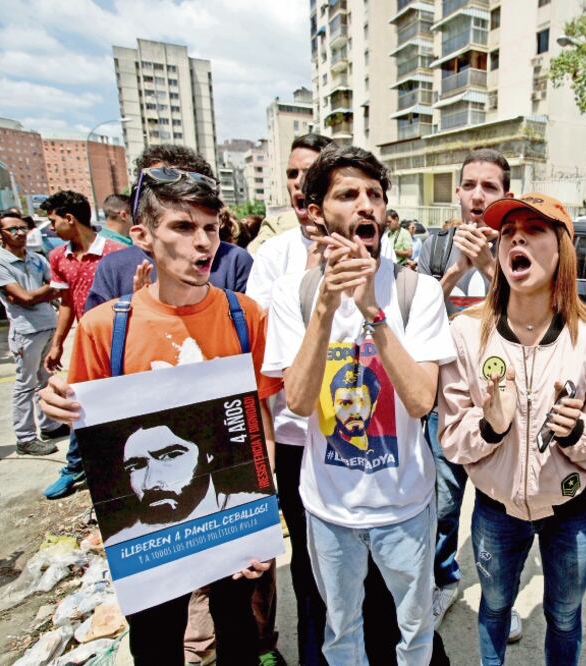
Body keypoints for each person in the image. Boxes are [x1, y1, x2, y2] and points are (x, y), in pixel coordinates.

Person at [38, 158, 277, 666]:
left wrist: (261, 514)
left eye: (211, 228)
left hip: (228, 523)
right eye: (183, 227)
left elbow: (261, 422)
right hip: (151, 542)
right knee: (156, 642)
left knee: (239, 633)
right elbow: (84, 419)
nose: (203, 242)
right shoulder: (107, 327)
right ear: (143, 235)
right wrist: (58, 401)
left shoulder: (245, 315)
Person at [263, 145, 455, 665]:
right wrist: (325, 310)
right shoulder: (294, 295)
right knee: (340, 634)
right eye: (348, 195)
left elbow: (420, 401)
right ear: (318, 213)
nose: (365, 205)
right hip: (329, 511)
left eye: (374, 194)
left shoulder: (419, 291)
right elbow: (298, 403)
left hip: (405, 506)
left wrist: (373, 310)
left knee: (413, 633)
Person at [439, 193, 586, 665]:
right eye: (508, 232)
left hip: (572, 509)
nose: (516, 236)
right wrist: (489, 427)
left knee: (564, 616)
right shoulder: (466, 332)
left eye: (535, 228)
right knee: (496, 606)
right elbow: (450, 436)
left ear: (562, 247)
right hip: (496, 510)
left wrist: (578, 432)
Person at [415, 148, 522, 636]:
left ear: (505, 195)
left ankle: (501, 597)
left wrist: (492, 267)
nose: (478, 195)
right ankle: (443, 581)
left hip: (503, 402)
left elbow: (528, 318)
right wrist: (458, 269)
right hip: (447, 402)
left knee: (502, 508)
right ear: (457, 192)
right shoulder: (432, 249)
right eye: (470, 185)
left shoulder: (522, 248)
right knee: (442, 504)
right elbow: (415, 321)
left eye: (490, 186)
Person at [245, 131, 332, 666]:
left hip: (354, 435)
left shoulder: (373, 252)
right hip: (296, 439)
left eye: (313, 175)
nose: (301, 187)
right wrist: (309, 279)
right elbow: (266, 357)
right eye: (293, 175)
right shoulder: (273, 259)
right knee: (307, 564)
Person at [85, 146, 254, 311]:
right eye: (182, 227)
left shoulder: (235, 262)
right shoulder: (113, 267)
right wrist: (139, 312)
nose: (202, 242)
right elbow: (100, 332)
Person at [38, 190, 127, 499]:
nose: (51, 228)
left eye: (53, 221)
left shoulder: (116, 253)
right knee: (79, 404)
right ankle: (74, 467)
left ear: (70, 218)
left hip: (120, 341)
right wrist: (57, 344)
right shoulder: (58, 257)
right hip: (85, 343)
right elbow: (64, 304)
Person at [105, 423, 269, 545]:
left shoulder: (255, 510)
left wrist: (260, 550)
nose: (150, 482)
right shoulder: (123, 543)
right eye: (136, 467)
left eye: (169, 456)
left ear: (207, 454)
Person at [0, 210, 64, 456]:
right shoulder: (1, 261)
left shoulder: (37, 259)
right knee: (25, 385)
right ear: (1, 234)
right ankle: (25, 437)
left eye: (22, 228)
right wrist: (48, 291)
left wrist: (46, 292)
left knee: (46, 380)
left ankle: (49, 426)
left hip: (48, 325)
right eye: (12, 229)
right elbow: (23, 298)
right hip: (26, 331)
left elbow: (57, 287)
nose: (19, 233)